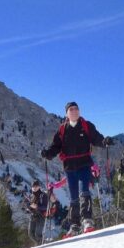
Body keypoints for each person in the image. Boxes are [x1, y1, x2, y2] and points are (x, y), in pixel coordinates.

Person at [40, 101, 113, 236]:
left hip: (84, 164)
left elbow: (96, 138)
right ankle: (74, 225)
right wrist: (48, 154)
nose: (74, 111)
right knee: (73, 196)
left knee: (83, 191)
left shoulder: (86, 125)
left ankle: (87, 220)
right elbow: (55, 146)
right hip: (69, 167)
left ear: (79, 111)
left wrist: (104, 142)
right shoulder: (62, 129)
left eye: (76, 109)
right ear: (67, 113)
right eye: (71, 109)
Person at [26, 180, 49, 245]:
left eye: (36, 186)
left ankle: (41, 245)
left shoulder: (43, 195)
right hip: (33, 216)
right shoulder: (31, 196)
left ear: (39, 186)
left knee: (37, 234)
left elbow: (46, 207)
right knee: (30, 234)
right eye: (33, 186)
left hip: (41, 216)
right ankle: (40, 244)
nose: (34, 188)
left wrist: (36, 207)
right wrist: (29, 206)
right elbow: (29, 205)